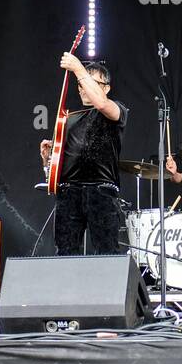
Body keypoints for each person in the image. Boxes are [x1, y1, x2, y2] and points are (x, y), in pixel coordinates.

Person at [39, 55, 129, 255]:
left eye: (91, 82)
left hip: (102, 190)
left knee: (107, 254)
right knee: (65, 254)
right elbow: (53, 175)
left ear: (106, 88)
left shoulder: (116, 109)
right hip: (69, 193)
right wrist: (47, 160)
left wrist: (78, 69)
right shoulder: (67, 120)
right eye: (80, 84)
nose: (83, 87)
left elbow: (102, 105)